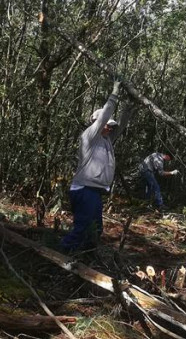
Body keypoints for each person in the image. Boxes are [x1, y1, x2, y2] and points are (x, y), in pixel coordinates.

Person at [60, 79, 134, 253]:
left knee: (96, 230)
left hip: (94, 191)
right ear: (97, 123)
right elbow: (104, 117)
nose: (109, 129)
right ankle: (60, 255)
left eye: (110, 127)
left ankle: (84, 257)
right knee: (82, 228)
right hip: (84, 189)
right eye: (107, 126)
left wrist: (129, 107)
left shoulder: (106, 140)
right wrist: (114, 93)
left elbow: (121, 126)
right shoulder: (90, 137)